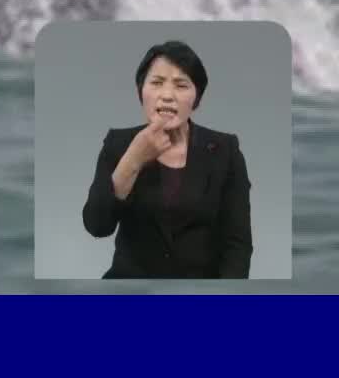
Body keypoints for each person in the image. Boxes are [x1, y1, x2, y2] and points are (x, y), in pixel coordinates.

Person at [81, 40, 252, 278]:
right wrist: (133, 159)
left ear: (196, 98)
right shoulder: (118, 143)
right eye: (157, 83)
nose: (167, 96)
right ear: (141, 91)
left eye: (181, 85)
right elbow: (97, 225)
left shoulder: (226, 150)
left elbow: (238, 244)